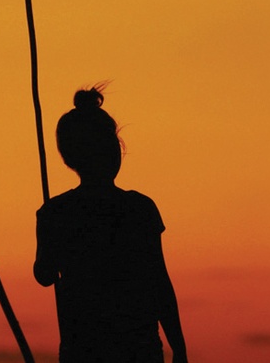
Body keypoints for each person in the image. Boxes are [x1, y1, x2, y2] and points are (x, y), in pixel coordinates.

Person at [33, 85, 188, 363]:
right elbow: (159, 283)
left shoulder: (56, 212)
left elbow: (44, 274)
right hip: (137, 347)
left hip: (83, 348)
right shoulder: (138, 209)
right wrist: (179, 346)